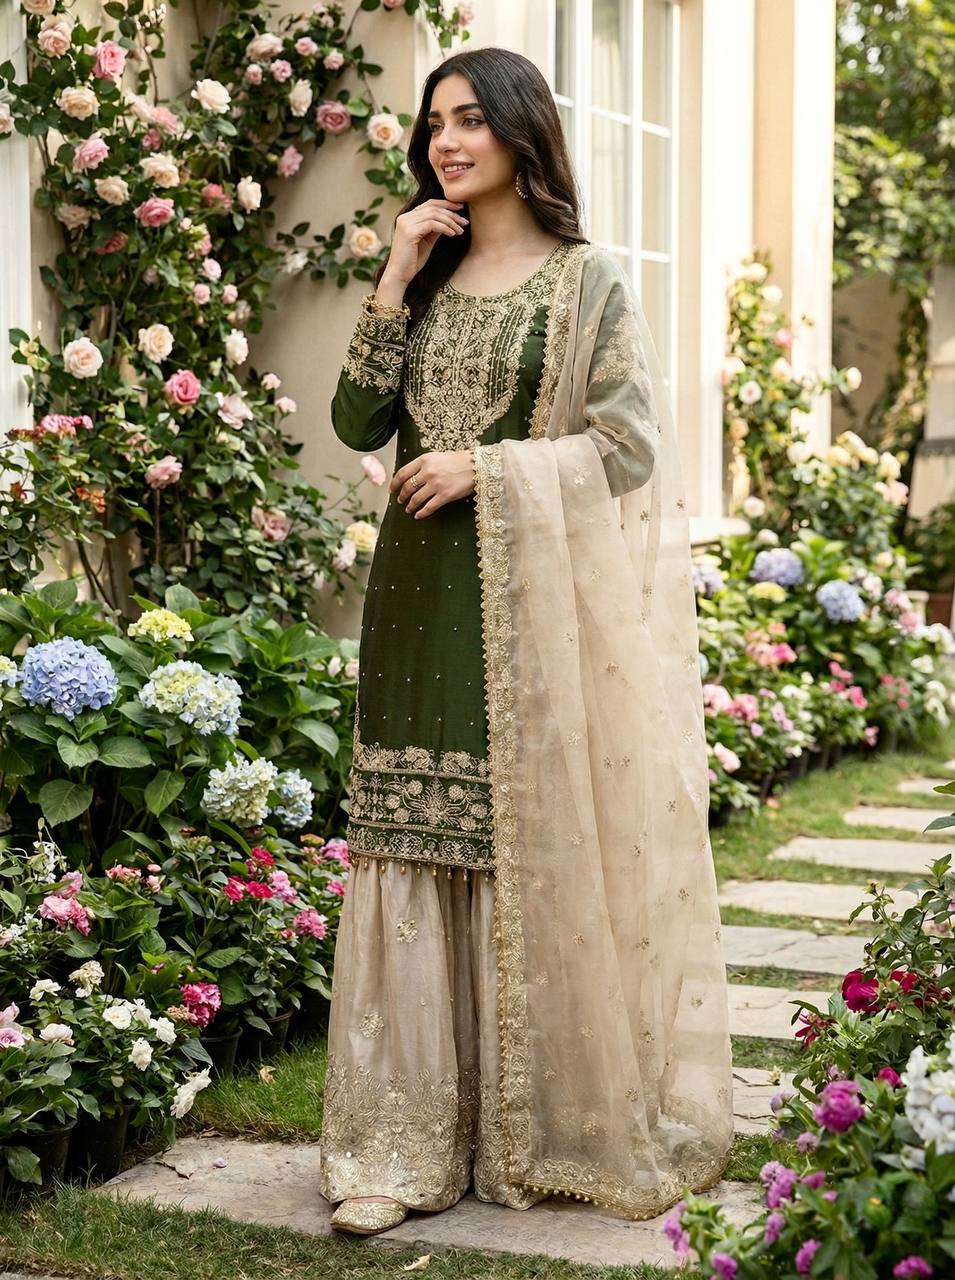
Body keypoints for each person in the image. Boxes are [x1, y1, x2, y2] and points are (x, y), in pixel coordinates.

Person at [318, 45, 733, 1236]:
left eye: (468, 120)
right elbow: (355, 419)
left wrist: (486, 468)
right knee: (409, 836)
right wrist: (394, 271)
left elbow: (630, 447)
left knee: (515, 844)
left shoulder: (586, 280)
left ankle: (525, 1128)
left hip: (523, 616)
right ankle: (398, 1142)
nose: (445, 142)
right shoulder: (425, 277)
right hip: (415, 602)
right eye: (432, 124)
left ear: (518, 131)